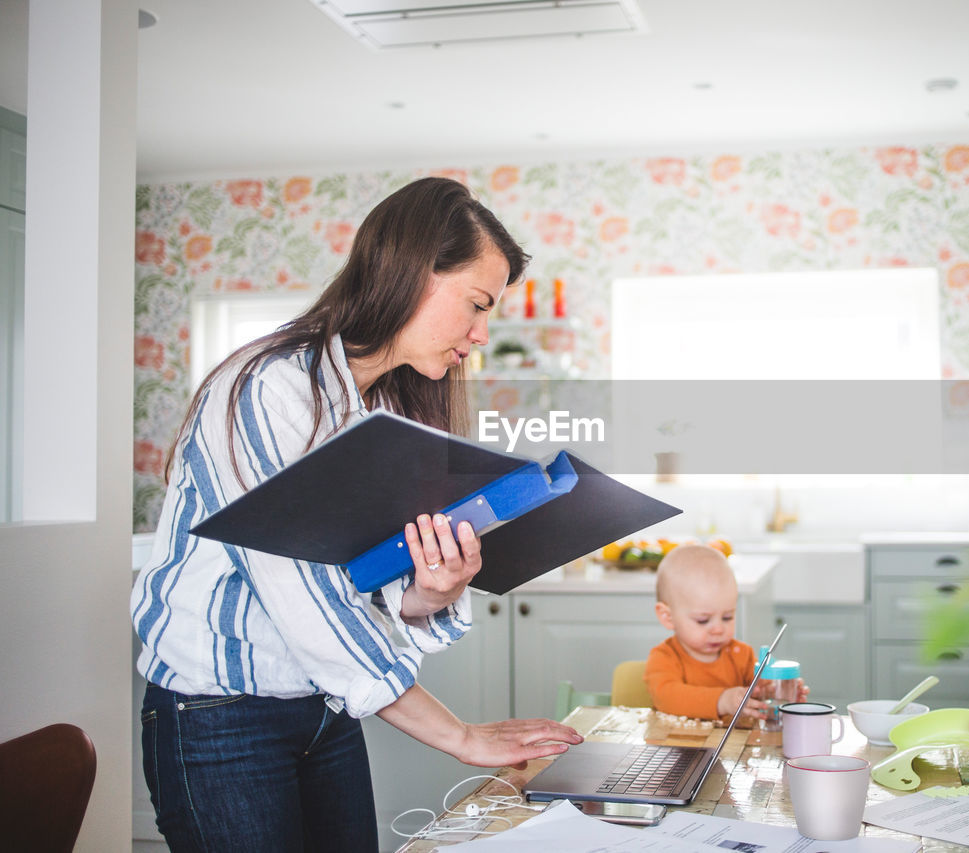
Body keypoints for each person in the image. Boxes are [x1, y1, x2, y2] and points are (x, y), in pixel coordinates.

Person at [129, 177, 583, 852]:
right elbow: (304, 601)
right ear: (412, 273)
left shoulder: (384, 415)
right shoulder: (269, 388)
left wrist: (429, 590)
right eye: (477, 304)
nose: (481, 334)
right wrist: (457, 734)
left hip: (322, 709)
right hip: (220, 716)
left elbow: (360, 582)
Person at [643, 543, 807, 721]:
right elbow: (668, 698)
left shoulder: (741, 655)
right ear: (667, 616)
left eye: (727, 617)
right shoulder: (664, 658)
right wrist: (723, 700)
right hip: (677, 746)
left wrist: (774, 691)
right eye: (703, 620)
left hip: (729, 747)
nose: (719, 629)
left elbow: (756, 693)